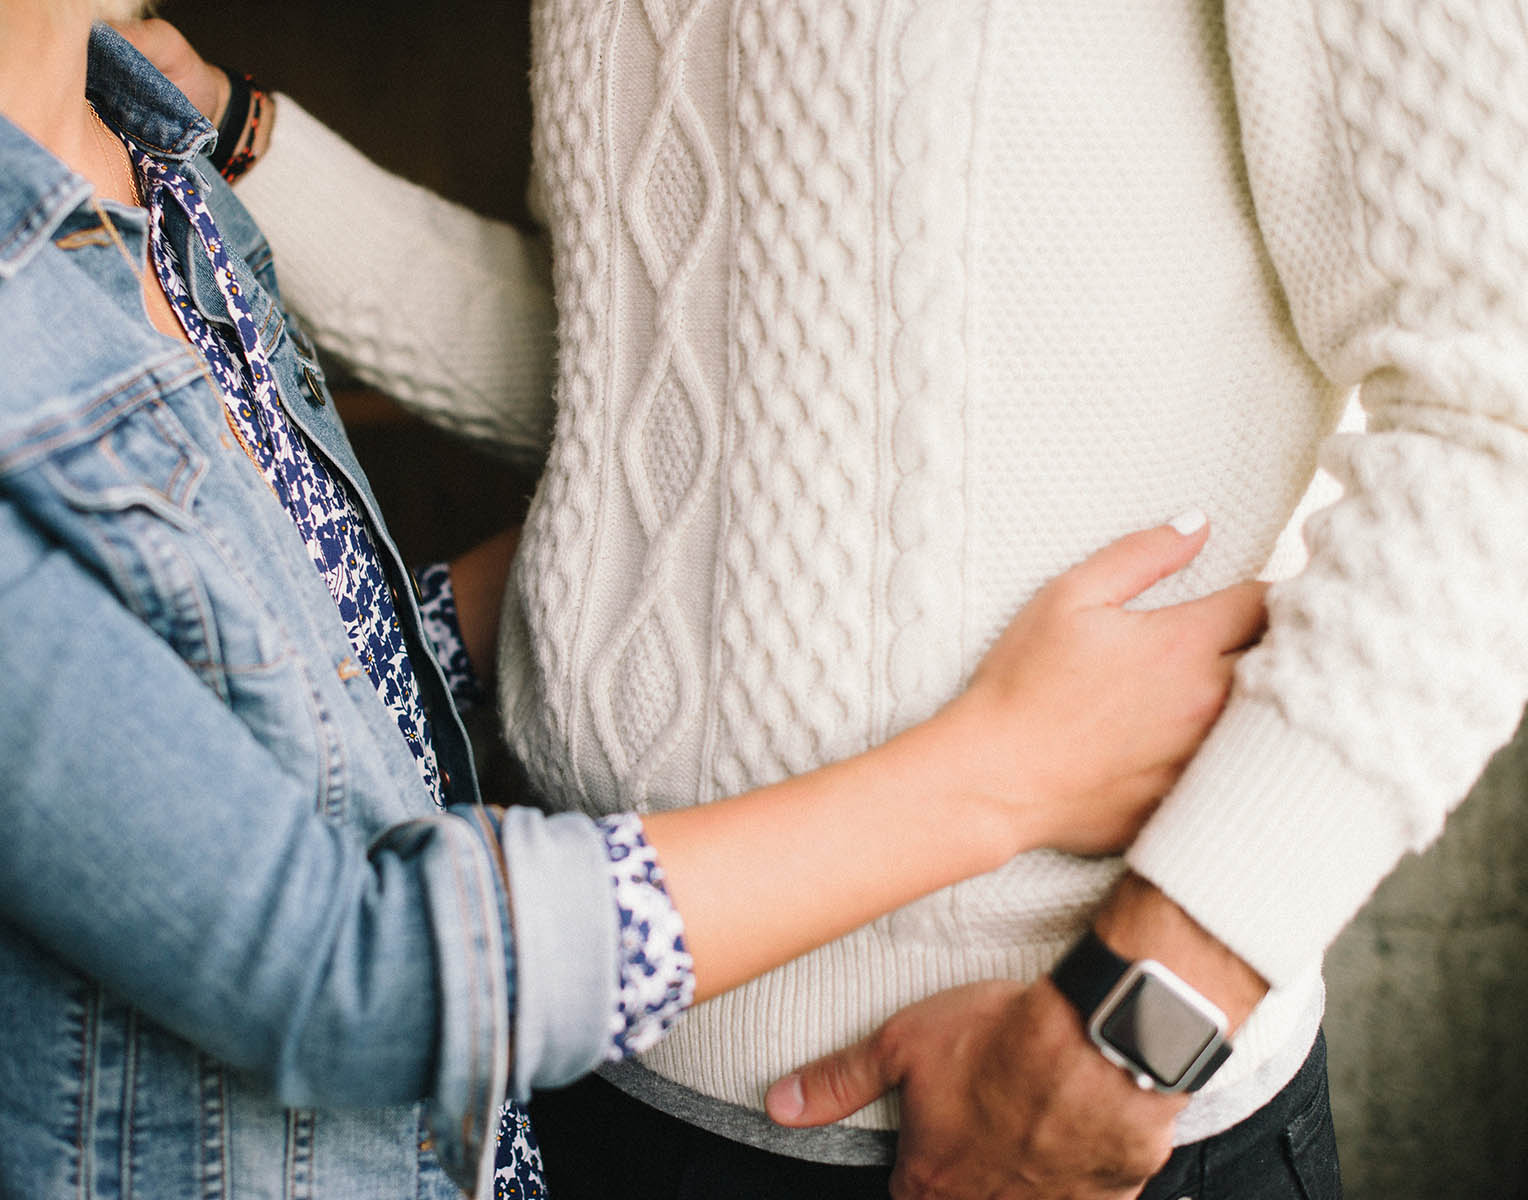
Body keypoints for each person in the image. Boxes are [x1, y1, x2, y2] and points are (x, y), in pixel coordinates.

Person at [0, 3, 1270, 1199]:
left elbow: (326, 689)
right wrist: (994, 771)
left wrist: (722, 543)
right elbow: (335, 963)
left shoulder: (130, 122)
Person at [131, 1, 1528, 1196]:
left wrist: (1135, 1027)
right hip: (597, 1053)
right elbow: (657, 401)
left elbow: (1496, 415)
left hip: (1036, 1106)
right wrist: (238, 139)